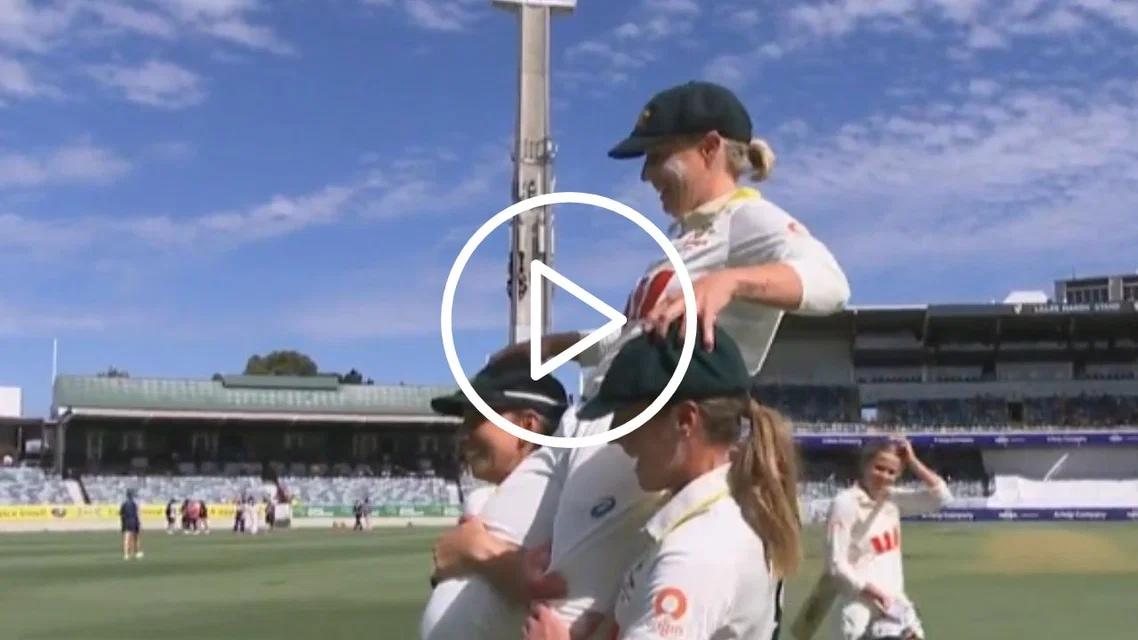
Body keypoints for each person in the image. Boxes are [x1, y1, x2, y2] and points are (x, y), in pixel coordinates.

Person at [421, 80, 850, 639]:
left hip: (638, 442)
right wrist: (551, 347)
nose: (646, 175)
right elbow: (630, 340)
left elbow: (830, 283)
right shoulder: (685, 238)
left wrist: (734, 282)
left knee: (557, 608)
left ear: (709, 148)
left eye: (656, 155)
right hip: (587, 424)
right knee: (472, 557)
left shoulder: (747, 222)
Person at [522, 324, 801, 639]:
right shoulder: (725, 511)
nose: (616, 439)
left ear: (685, 420)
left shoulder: (696, 554)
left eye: (628, 419)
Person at [421, 357, 569, 632]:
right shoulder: (482, 500)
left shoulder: (564, 497)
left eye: (477, 418)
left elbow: (566, 589)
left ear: (526, 426)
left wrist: (477, 551)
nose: (463, 434)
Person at [825, 439, 952, 640]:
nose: (884, 476)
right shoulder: (845, 504)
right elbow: (835, 565)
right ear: (865, 465)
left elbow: (942, 497)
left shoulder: (892, 499)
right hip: (858, 609)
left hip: (894, 606)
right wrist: (873, 593)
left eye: (892, 472)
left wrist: (912, 460)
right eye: (879, 468)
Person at [120, 489, 143, 560]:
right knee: (135, 538)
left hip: (127, 522)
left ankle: (126, 554)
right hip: (133, 522)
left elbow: (121, 514)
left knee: (127, 538)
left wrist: (123, 524)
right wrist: (138, 522)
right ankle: (136, 552)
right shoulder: (133, 504)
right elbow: (136, 514)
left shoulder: (124, 504)